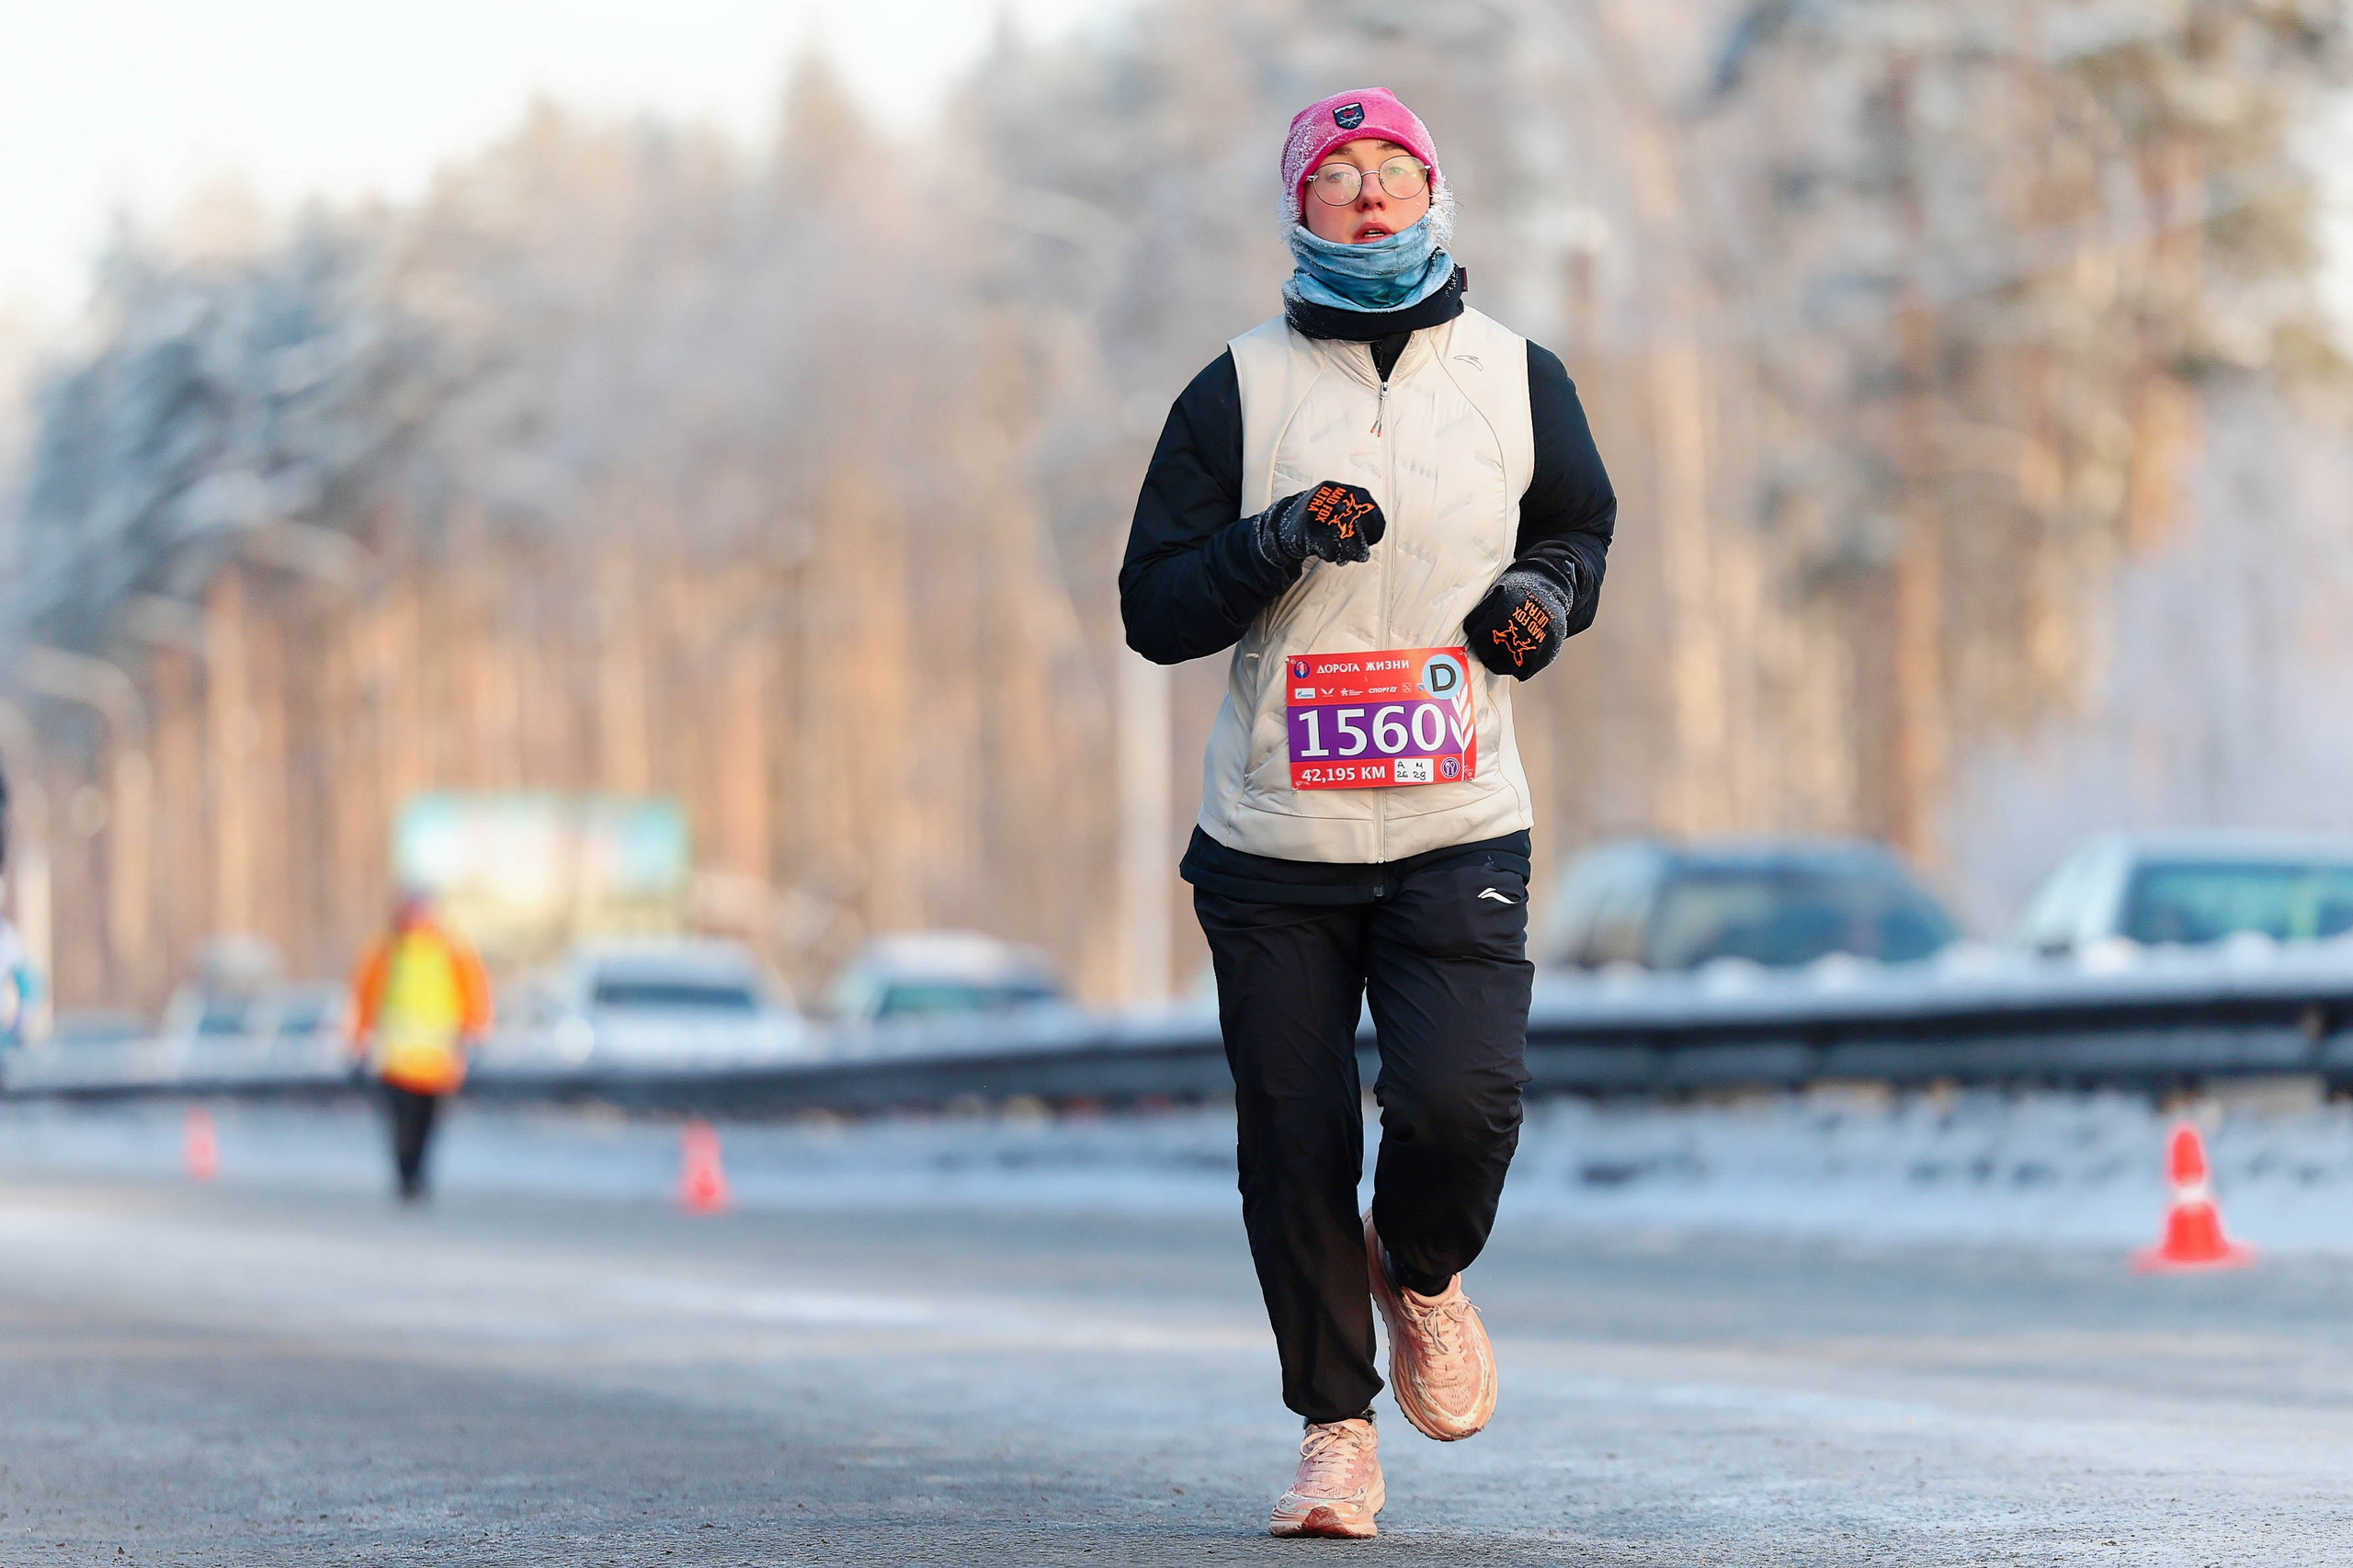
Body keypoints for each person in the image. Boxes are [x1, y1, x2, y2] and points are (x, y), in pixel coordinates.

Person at [1120, 88, 1616, 1539]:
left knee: (1460, 1106)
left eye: (1395, 170)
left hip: (1458, 812)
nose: (1371, 194)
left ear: (1437, 194)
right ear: (1299, 208)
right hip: (1275, 842)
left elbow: (1576, 528)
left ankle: (1427, 1267)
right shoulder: (1237, 391)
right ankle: (1335, 1427)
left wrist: (1540, 601)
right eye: (1338, 176)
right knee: (1293, 1136)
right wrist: (1274, 540)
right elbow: (1155, 606)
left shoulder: (1521, 377)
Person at [347, 892, 492, 1202]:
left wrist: (476, 1031)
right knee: (402, 1125)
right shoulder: (386, 951)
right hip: (396, 1060)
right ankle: (406, 1175)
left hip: (436, 1060)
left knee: (426, 1125)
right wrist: (358, 1039)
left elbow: (473, 992)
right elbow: (366, 997)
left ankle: (416, 1175)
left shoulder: (452, 950)